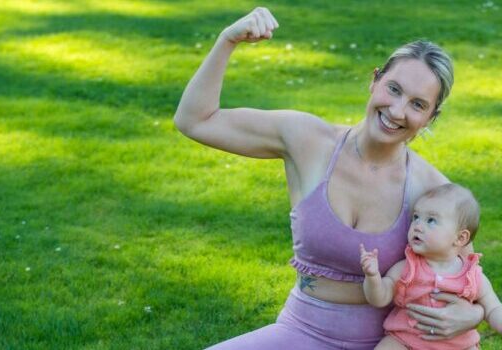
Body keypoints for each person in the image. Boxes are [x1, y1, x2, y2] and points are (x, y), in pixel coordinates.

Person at [175, 7, 484, 349]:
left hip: (393, 341)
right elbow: (195, 120)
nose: (397, 111)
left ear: (429, 118)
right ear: (374, 80)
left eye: (417, 104)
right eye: (393, 89)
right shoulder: (308, 141)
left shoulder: (433, 189)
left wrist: (474, 314)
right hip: (302, 332)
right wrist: (227, 40)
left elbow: (468, 277)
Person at [360, 184, 502, 349]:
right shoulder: (407, 267)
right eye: (416, 217)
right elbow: (380, 298)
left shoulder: (472, 276)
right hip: (406, 340)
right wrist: (373, 277)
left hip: (458, 345)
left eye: (431, 220)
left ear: (460, 238)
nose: (418, 225)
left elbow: (493, 307)